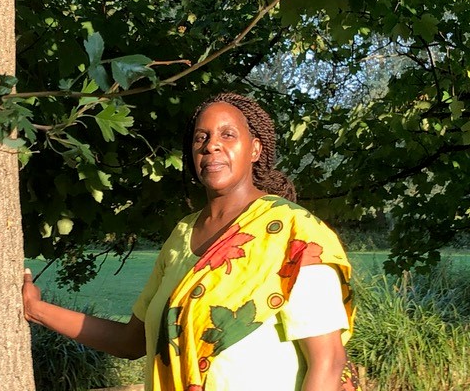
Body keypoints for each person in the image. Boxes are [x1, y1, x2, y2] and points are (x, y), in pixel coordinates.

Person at [23, 92, 360, 391]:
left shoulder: (294, 232)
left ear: (255, 149)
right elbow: (132, 342)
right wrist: (36, 310)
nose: (211, 145)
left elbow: (328, 362)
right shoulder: (181, 235)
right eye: (202, 137)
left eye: (228, 134)